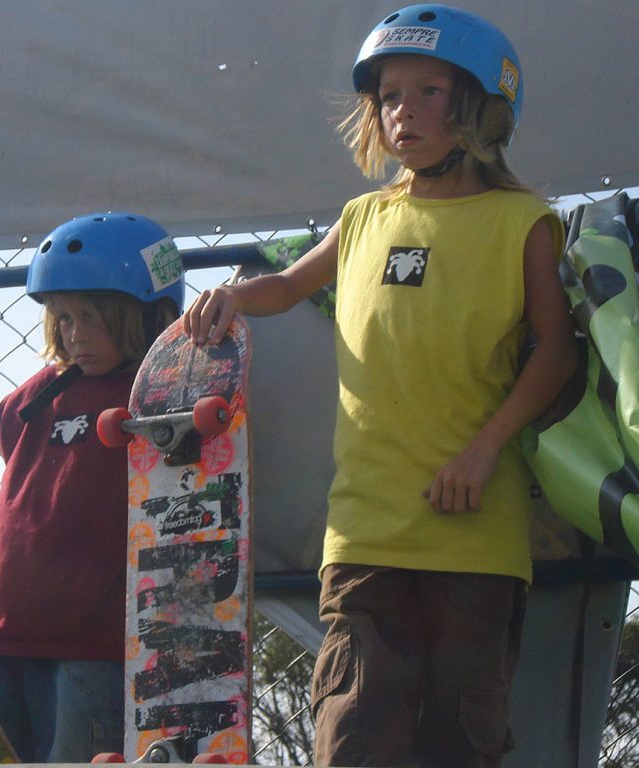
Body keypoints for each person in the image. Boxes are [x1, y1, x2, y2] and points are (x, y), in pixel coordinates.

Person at [184, 5, 578, 767]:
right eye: (389, 95)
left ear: (483, 107)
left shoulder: (524, 221)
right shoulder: (362, 216)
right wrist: (233, 297)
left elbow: (556, 353)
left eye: (429, 90)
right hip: (363, 529)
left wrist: (483, 452)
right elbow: (291, 285)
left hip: (476, 525)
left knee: (459, 743)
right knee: (354, 735)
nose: (403, 110)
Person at [0, 211, 183, 762]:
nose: (75, 335)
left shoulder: (163, 395)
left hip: (93, 641)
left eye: (92, 318)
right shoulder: (34, 398)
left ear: (146, 315)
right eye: (63, 319)